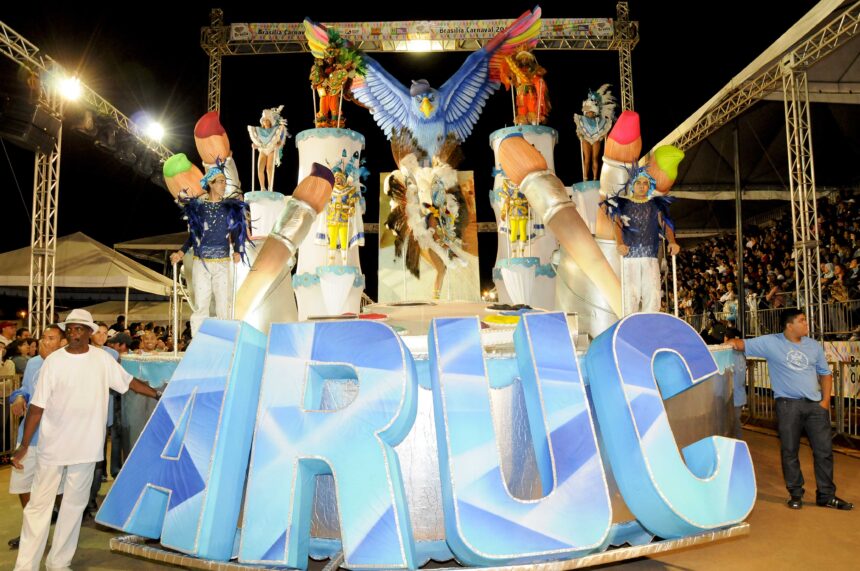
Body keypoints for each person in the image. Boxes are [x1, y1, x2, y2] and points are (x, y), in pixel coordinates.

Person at [11, 309, 161, 570]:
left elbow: (129, 382)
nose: (74, 333)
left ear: (90, 332)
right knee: (39, 506)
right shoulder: (54, 361)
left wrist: (157, 394)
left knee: (73, 507)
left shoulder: (102, 359)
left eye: (79, 329)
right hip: (53, 447)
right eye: (70, 329)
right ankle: (25, 566)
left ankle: (59, 563)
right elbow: (37, 407)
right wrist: (24, 445)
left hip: (87, 448)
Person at [726, 309, 853, 511]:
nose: (807, 324)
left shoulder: (813, 345)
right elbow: (740, 344)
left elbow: (825, 373)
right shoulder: (771, 342)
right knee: (789, 451)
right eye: (802, 321)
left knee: (824, 451)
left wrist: (825, 402)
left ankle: (826, 495)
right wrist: (728, 343)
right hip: (787, 405)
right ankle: (795, 494)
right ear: (789, 325)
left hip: (815, 406)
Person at [6, 324, 67, 550]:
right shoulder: (33, 363)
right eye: (43, 337)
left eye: (51, 338)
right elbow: (24, 388)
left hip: (56, 439)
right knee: (22, 485)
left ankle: (61, 532)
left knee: (58, 490)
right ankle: (33, 532)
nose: (44, 341)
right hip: (28, 438)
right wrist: (19, 398)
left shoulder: (69, 365)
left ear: (63, 342)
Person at [170, 165, 249, 337]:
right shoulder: (199, 208)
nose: (224, 185)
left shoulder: (230, 207)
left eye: (225, 182)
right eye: (220, 181)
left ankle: (224, 339)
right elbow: (194, 236)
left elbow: (237, 232)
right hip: (201, 263)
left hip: (223, 262)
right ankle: (199, 340)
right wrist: (181, 252)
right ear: (211, 184)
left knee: (223, 303)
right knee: (201, 304)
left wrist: (238, 250)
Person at [608, 168, 679, 315]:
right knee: (629, 297)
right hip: (629, 257)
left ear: (649, 186)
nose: (641, 186)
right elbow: (616, 223)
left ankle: (650, 325)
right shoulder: (622, 203)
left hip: (650, 256)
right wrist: (619, 243)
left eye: (645, 183)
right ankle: (628, 325)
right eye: (638, 183)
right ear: (632, 185)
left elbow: (666, 224)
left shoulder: (656, 204)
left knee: (653, 294)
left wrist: (672, 241)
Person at [573, 85, 616, 181]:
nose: (589, 113)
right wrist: (579, 135)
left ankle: (595, 178)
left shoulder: (599, 121)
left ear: (595, 111)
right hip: (585, 139)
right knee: (587, 159)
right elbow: (579, 130)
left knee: (595, 159)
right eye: (588, 111)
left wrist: (603, 135)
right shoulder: (582, 120)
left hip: (596, 139)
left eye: (591, 111)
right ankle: (585, 178)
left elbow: (604, 129)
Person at [499, 50, 550, 126]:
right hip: (521, 92)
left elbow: (543, 71)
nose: (524, 60)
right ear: (520, 60)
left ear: (529, 60)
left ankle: (534, 124)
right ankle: (521, 124)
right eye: (522, 58)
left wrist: (538, 74)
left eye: (526, 58)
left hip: (531, 92)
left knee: (532, 108)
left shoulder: (533, 69)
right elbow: (512, 79)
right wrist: (511, 80)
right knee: (522, 109)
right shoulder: (517, 71)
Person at [248, 105, 290, 192]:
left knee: (269, 168)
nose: (265, 122)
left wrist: (279, 143)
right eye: (264, 120)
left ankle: (270, 187)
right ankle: (262, 187)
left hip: (271, 150)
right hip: (263, 150)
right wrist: (255, 145)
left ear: (270, 121)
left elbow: (280, 137)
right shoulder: (259, 130)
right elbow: (259, 142)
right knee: (260, 168)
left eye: (267, 120)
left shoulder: (275, 130)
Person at [724, 327, 747, 439]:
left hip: (731, 395)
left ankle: (737, 445)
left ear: (727, 338)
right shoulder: (741, 353)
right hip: (739, 394)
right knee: (735, 422)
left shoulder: (728, 353)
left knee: (732, 425)